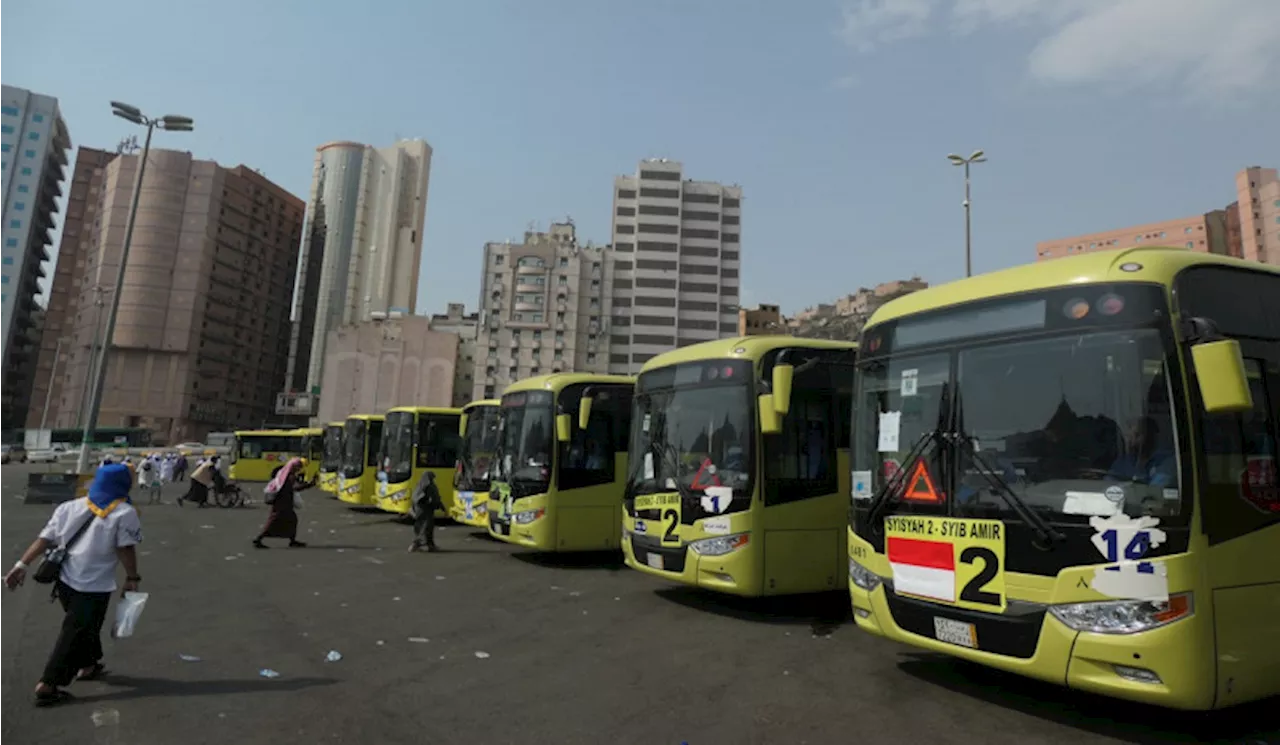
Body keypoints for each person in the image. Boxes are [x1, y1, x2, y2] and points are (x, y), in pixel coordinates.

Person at [3, 463, 143, 707]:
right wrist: (132, 578)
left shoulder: (68, 507)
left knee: (83, 625)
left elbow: (45, 539)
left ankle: (88, 665)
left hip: (65, 580)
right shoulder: (123, 512)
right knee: (76, 630)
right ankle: (48, 684)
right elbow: (125, 548)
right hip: (94, 584)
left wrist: (21, 565)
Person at [253, 458, 311, 549]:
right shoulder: (289, 476)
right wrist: (310, 485)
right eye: (298, 467)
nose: (299, 469)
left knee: (291, 520)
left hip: (284, 503)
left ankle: (292, 540)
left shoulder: (284, 473)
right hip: (282, 504)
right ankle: (258, 539)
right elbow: (294, 488)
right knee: (273, 521)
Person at [409, 471, 442, 553]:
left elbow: (414, 498)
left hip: (419, 510)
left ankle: (430, 546)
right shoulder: (429, 486)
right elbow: (435, 498)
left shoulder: (419, 485)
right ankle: (416, 544)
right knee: (426, 528)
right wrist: (440, 506)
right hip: (426, 511)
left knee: (422, 528)